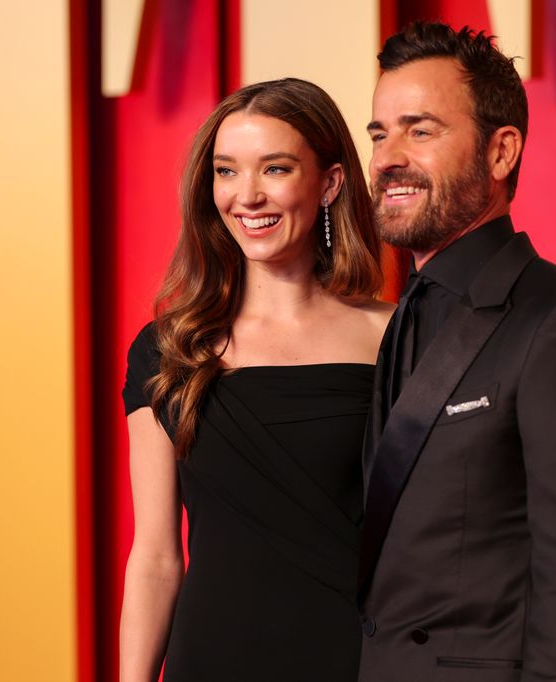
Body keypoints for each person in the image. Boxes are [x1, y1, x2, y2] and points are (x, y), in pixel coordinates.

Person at [358, 22, 556, 681]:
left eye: (419, 130)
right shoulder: (388, 319)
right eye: (379, 133)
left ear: (500, 152)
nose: (386, 158)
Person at [120, 77, 393, 682]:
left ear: (329, 183)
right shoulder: (168, 351)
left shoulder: (397, 336)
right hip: (212, 658)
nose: (247, 196)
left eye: (274, 169)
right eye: (226, 171)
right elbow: (157, 557)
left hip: (356, 659)